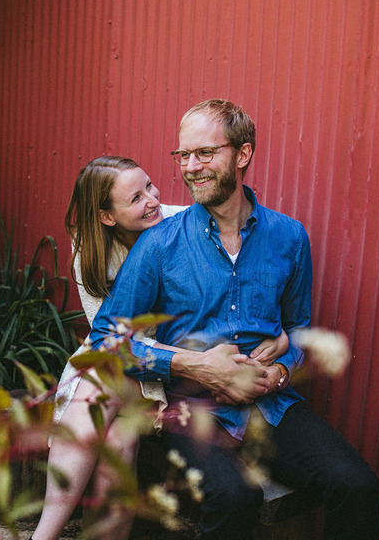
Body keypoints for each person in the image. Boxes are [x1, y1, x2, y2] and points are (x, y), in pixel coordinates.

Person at [86, 100, 379, 540]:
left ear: (242, 155)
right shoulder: (159, 245)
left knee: (357, 485)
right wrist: (194, 366)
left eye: (205, 153)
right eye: (183, 155)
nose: (190, 167)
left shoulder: (289, 237)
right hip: (192, 409)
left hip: (270, 407)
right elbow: (105, 340)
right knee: (234, 499)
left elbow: (298, 330)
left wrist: (282, 371)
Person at [30, 155, 289, 540]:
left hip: (174, 373)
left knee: (108, 421)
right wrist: (196, 361)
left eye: (149, 186)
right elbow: (114, 339)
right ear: (106, 217)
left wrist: (282, 338)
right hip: (134, 362)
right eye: (135, 198)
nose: (152, 200)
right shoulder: (90, 253)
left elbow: (238, 300)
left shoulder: (185, 223)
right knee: (109, 430)